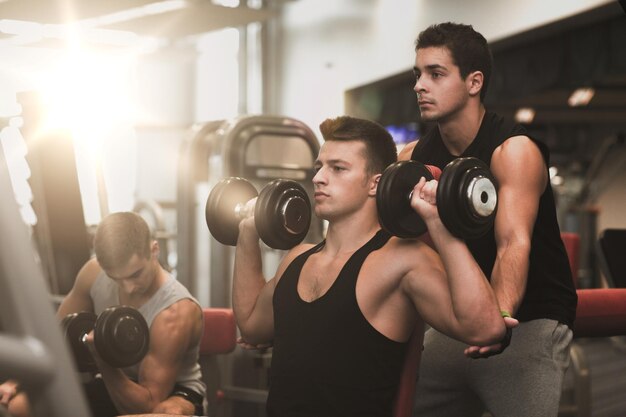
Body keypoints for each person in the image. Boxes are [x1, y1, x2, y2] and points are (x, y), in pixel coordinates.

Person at [233, 115, 511, 417]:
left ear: (374, 183)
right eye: (319, 167)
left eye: (337, 168)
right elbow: (251, 325)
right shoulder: (296, 259)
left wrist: (439, 224)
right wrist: (248, 231)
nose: (318, 178)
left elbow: (485, 329)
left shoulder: (400, 260)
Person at [400, 22, 578, 417]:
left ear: (474, 82)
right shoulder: (412, 159)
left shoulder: (513, 151)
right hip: (456, 324)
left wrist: (496, 319)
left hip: (528, 321)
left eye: (436, 73)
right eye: (418, 75)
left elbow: (512, 241)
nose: (419, 86)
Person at [1, 212, 206, 417]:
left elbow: (147, 404)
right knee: (15, 406)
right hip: (111, 383)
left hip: (169, 395)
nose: (128, 288)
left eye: (135, 274)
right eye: (115, 277)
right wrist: (19, 380)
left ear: (154, 251)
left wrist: (103, 361)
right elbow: (56, 335)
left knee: (159, 414)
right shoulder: (93, 273)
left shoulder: (174, 312)